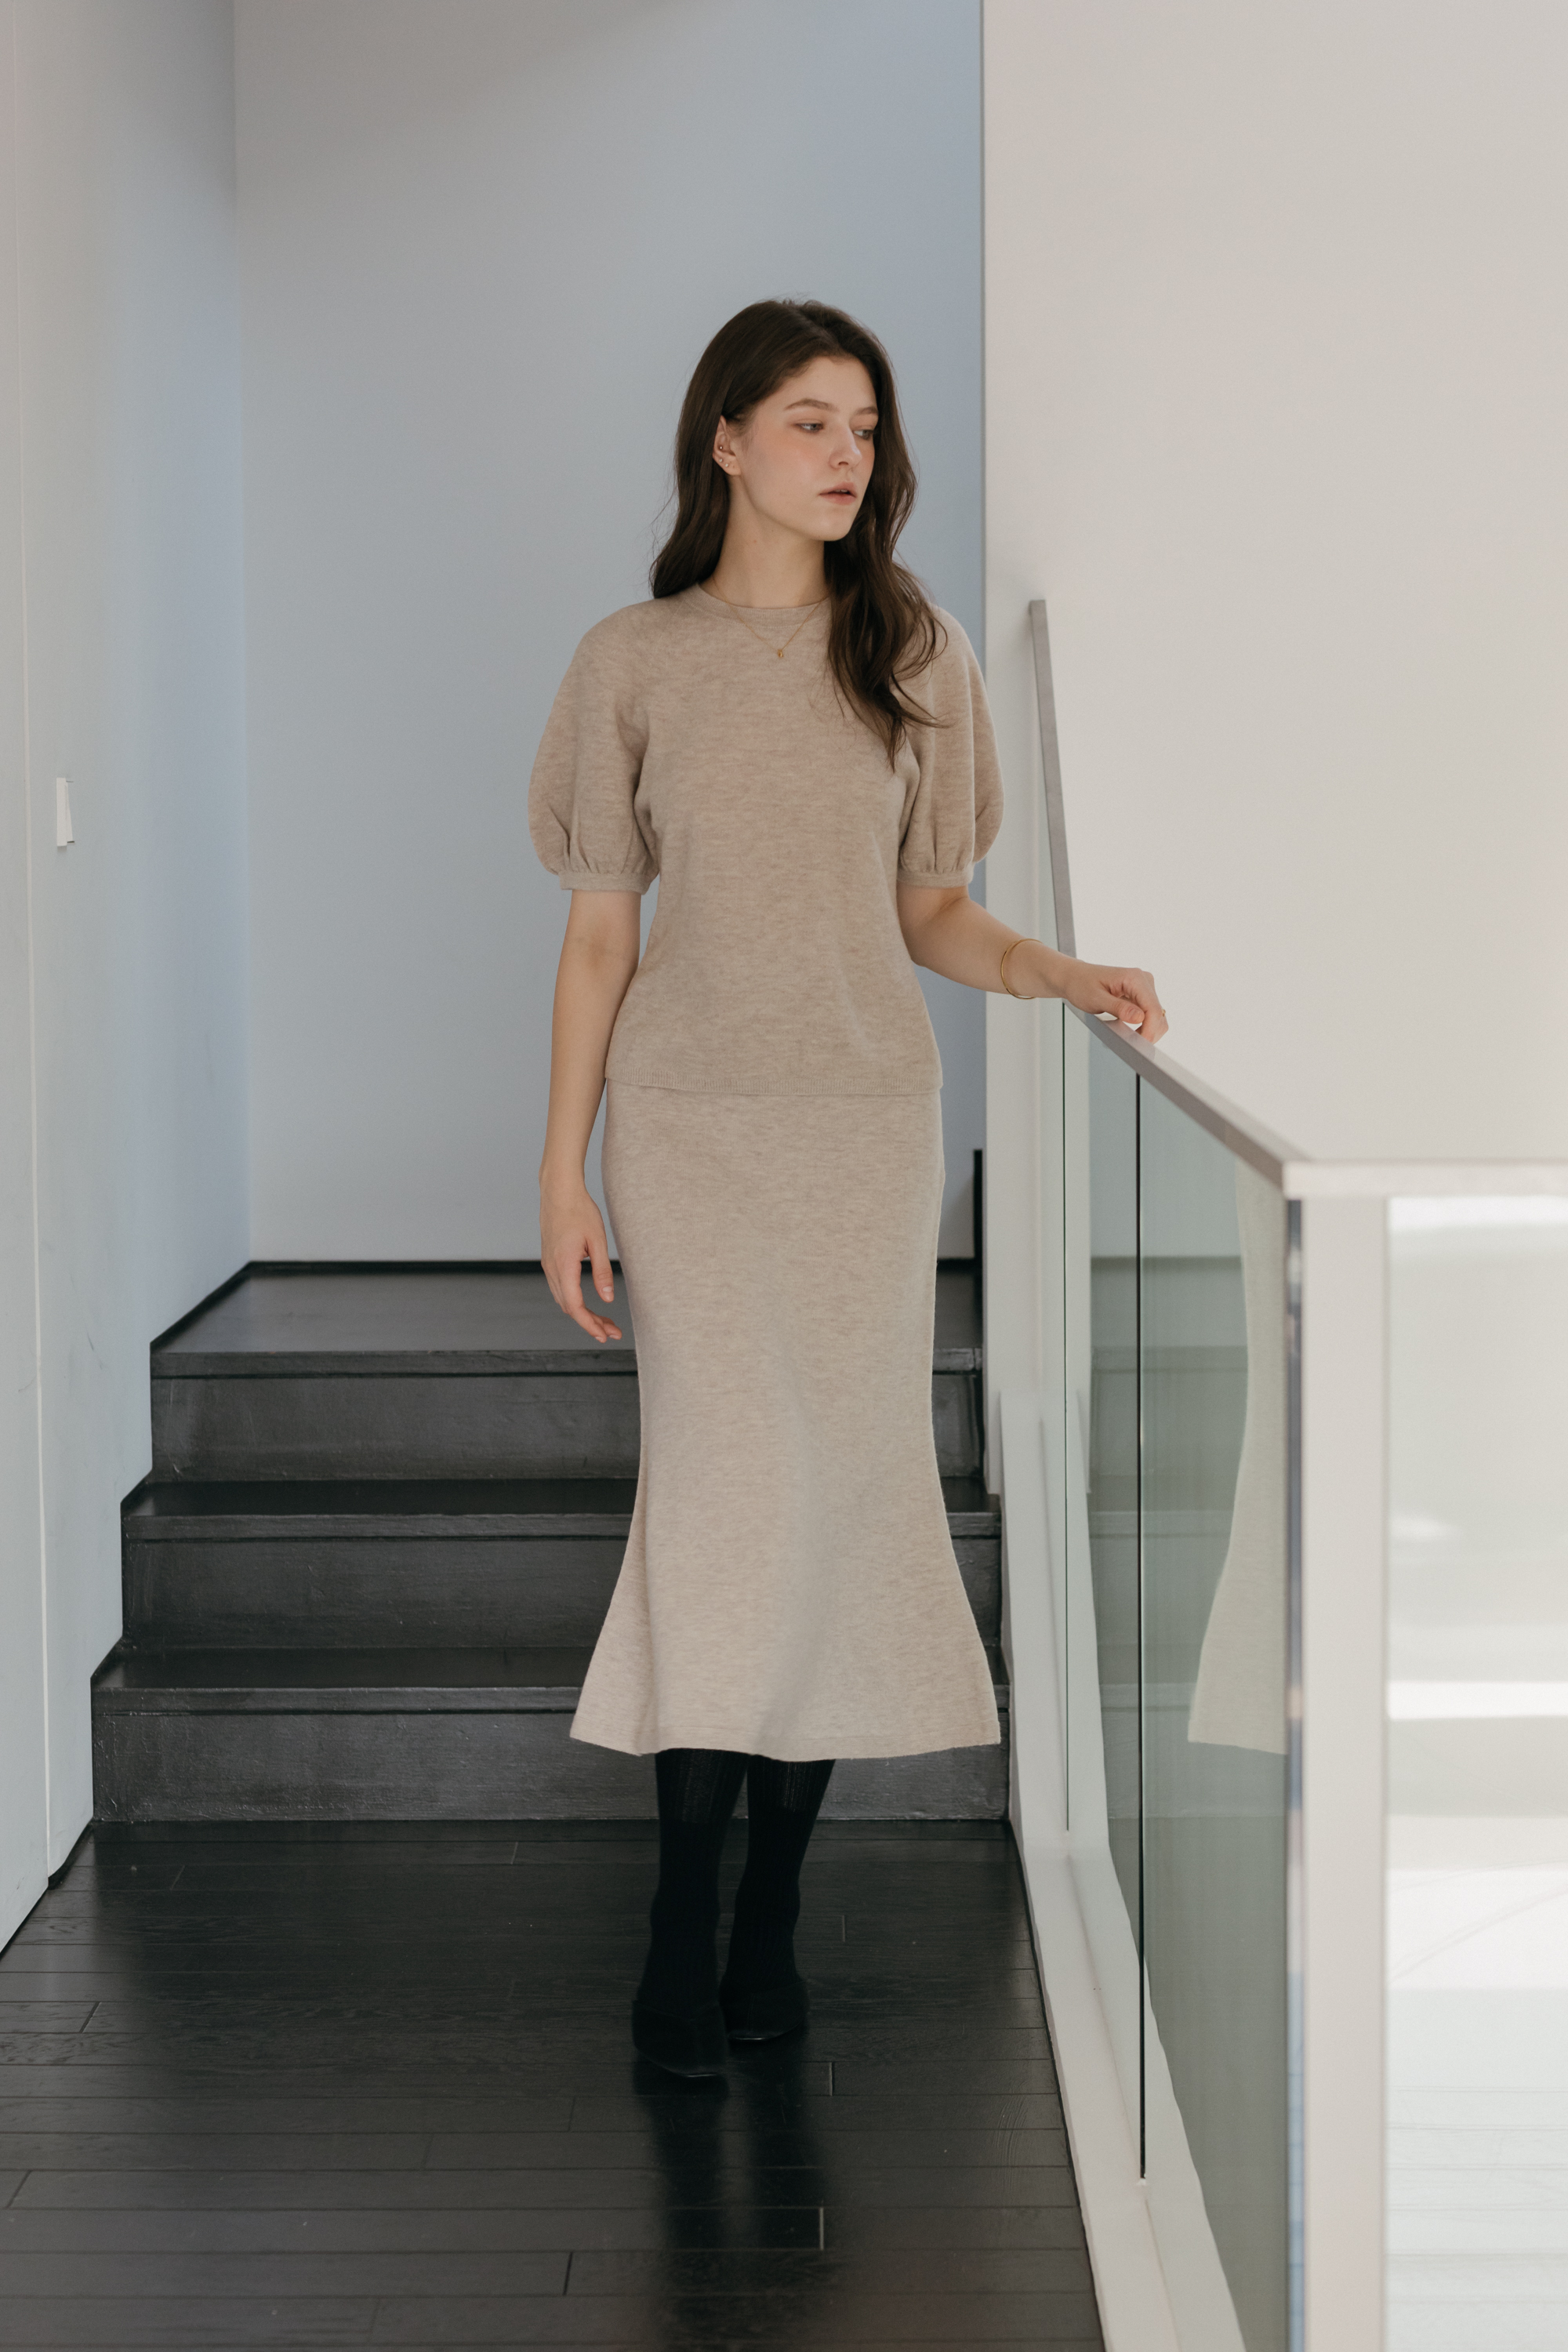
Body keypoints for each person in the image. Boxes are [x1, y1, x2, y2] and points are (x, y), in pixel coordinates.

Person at [529, 299, 1166, 2078]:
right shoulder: (630, 661)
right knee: (721, 1508)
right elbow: (599, 940)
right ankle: (681, 1919)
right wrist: (562, 1170)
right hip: (688, 1134)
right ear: (725, 441)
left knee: (830, 1507)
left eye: (865, 427)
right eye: (808, 421)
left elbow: (930, 909)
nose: (844, 454)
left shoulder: (916, 651)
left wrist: (1050, 968)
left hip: (863, 1133)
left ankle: (771, 1920)